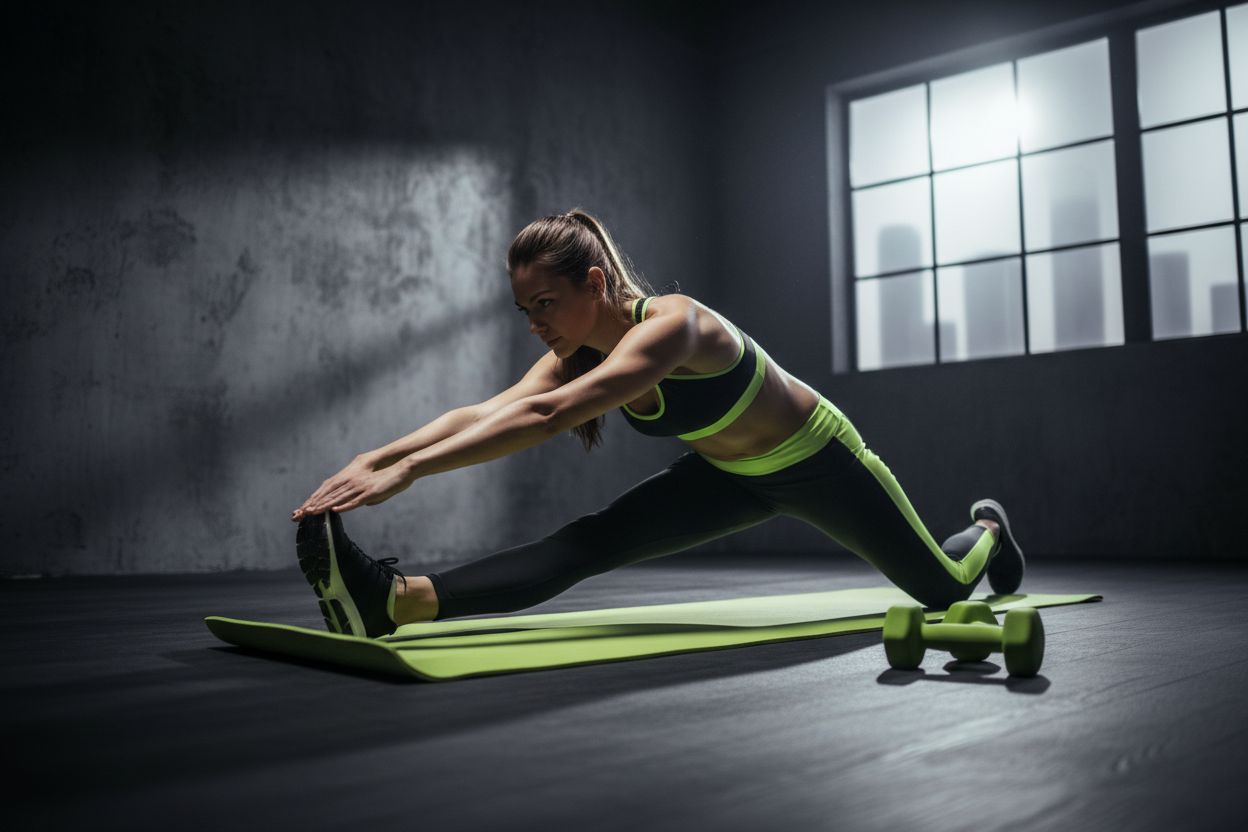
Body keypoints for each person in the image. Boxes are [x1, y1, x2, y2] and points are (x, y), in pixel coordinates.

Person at [290, 208, 1024, 639]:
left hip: (821, 462)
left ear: (596, 284)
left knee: (943, 596)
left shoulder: (676, 327)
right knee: (588, 543)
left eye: (545, 303)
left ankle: (987, 531)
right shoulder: (579, 350)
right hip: (729, 479)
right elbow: (493, 409)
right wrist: (378, 454)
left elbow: (545, 417)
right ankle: (396, 603)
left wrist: (409, 473)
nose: (535, 324)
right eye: (525, 310)